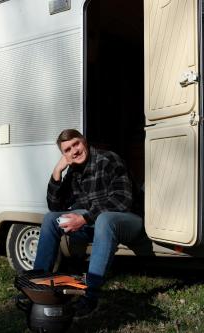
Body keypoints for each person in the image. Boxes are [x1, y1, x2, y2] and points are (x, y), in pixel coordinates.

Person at [33, 129, 143, 317]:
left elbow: (122, 200)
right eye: (67, 150)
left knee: (104, 219)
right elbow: (55, 205)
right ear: (64, 155)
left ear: (84, 141)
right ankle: (36, 286)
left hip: (128, 221)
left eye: (76, 144)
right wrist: (57, 172)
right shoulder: (74, 170)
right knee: (51, 219)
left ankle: (90, 297)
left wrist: (84, 218)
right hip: (96, 225)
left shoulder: (108, 159)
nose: (74, 151)